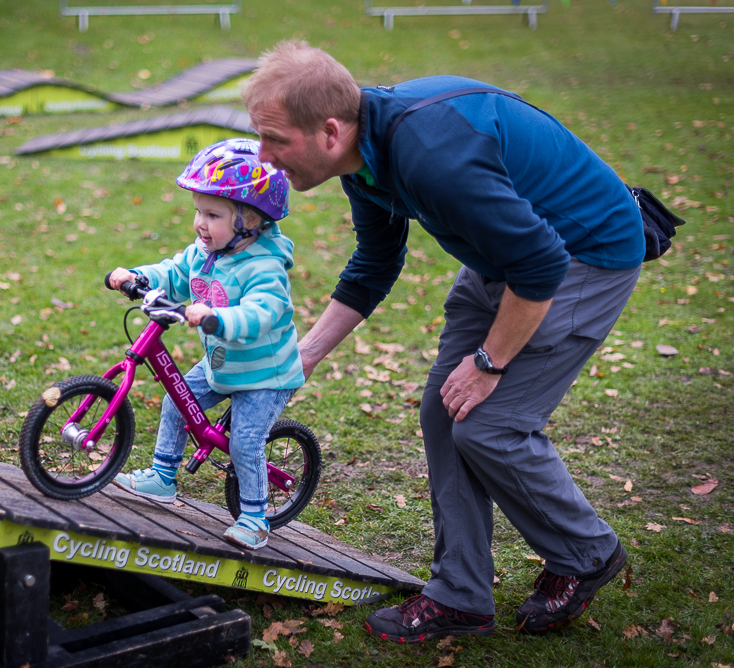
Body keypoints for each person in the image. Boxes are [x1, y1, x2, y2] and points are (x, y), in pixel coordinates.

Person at [242, 40, 639, 641]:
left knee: (488, 424)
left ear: (327, 130)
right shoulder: (362, 152)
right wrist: (301, 358)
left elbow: (540, 265)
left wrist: (489, 361)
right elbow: (375, 264)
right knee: (442, 411)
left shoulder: (431, 155)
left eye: (275, 139)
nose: (263, 155)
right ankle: (461, 595)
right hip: (504, 255)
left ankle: (587, 553)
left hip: (582, 255)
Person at [108, 138, 303, 551]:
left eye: (212, 214)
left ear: (250, 220)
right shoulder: (205, 252)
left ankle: (254, 517)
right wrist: (138, 276)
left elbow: (263, 311)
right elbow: (175, 273)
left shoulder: (265, 266)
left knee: (245, 442)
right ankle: (163, 477)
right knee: (175, 401)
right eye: (198, 211)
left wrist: (219, 318)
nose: (200, 223)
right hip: (223, 364)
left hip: (266, 374)